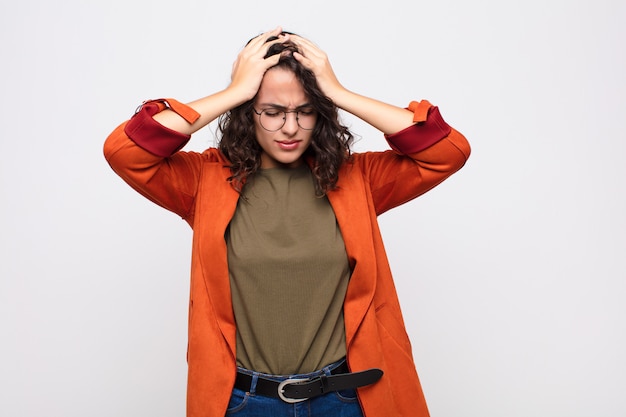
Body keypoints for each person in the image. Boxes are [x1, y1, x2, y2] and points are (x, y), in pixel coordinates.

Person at [104, 27, 470, 417]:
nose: (291, 127)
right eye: (273, 112)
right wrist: (234, 92)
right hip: (243, 402)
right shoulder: (203, 180)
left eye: (305, 110)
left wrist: (338, 92)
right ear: (248, 112)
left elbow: (447, 152)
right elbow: (125, 151)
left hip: (344, 400)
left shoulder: (358, 178)